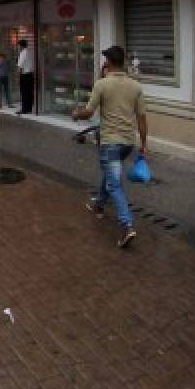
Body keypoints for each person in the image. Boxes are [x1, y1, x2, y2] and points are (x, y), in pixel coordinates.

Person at [72, 46, 146, 249]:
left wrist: (76, 114)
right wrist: (144, 145)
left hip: (110, 143)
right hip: (128, 143)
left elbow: (88, 113)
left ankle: (127, 225)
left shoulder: (102, 84)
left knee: (114, 184)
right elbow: (142, 118)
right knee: (110, 175)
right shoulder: (135, 86)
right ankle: (98, 205)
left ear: (109, 63)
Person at [16, 39, 36, 115]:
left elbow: (20, 66)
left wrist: (18, 77)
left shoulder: (23, 53)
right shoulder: (30, 52)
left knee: (24, 92)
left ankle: (24, 109)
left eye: (18, 46)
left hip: (25, 75)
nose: (18, 47)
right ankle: (29, 108)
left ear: (20, 46)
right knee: (29, 92)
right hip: (31, 74)